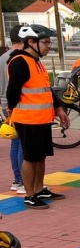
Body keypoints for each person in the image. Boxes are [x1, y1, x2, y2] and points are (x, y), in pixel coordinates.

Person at [6, 25, 69, 209]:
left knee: (41, 156)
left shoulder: (37, 61)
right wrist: (12, 113)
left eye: (50, 42)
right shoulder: (20, 62)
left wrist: (59, 109)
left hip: (42, 119)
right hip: (27, 120)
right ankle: (29, 195)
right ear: (31, 42)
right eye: (45, 42)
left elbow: (46, 90)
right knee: (30, 158)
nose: (49, 46)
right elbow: (12, 93)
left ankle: (40, 189)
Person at [0, 25, 25, 194]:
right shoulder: (20, 58)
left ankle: (17, 180)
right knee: (23, 143)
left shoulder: (2, 57)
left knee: (15, 143)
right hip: (18, 105)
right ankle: (23, 181)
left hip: (4, 104)